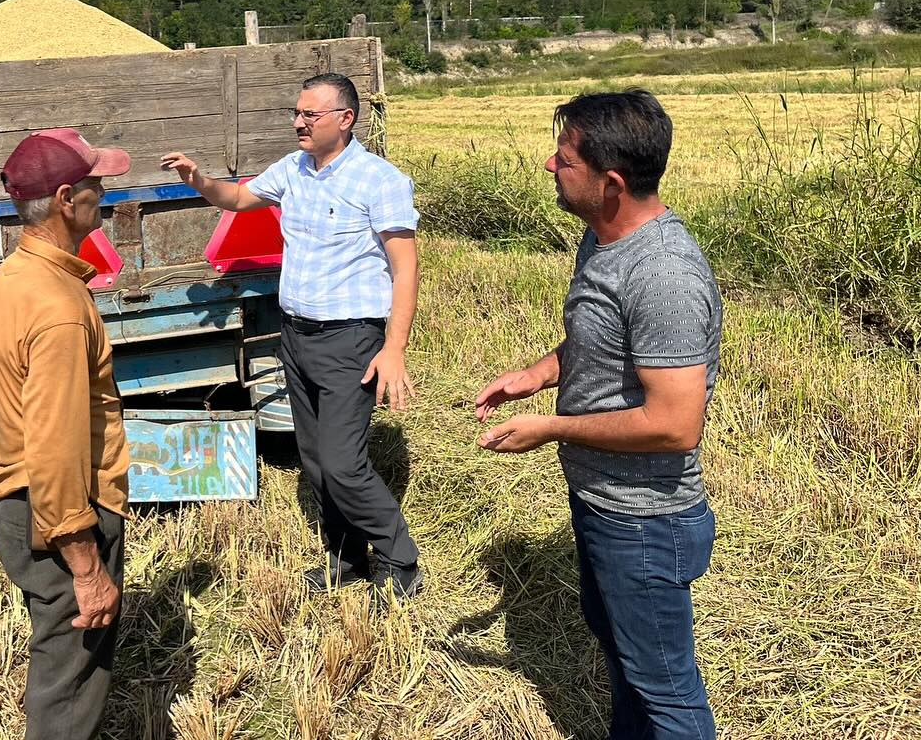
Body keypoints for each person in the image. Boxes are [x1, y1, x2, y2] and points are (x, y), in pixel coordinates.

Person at [473, 90, 721, 740]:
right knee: (627, 665)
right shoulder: (603, 239)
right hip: (601, 501)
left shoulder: (664, 274)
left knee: (669, 697)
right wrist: (536, 375)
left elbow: (675, 423)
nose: (548, 167)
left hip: (644, 522)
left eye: (564, 159)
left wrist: (550, 427)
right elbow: (599, 344)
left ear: (611, 184)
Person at [161, 72, 423, 599]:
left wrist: (394, 348)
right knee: (317, 461)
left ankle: (400, 560)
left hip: (352, 339)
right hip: (296, 336)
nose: (298, 122)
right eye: (296, 113)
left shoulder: (379, 181)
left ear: (345, 119)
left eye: (311, 114)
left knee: (345, 463)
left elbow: (406, 268)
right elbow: (237, 199)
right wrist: (199, 180)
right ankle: (346, 559)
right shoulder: (295, 169)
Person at [0, 128, 132, 740]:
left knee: (57, 658)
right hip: (61, 517)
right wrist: (84, 565)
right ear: (64, 199)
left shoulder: (14, 278)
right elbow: (54, 449)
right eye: (95, 184)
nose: (103, 193)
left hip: (23, 505)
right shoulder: (57, 307)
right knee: (70, 680)